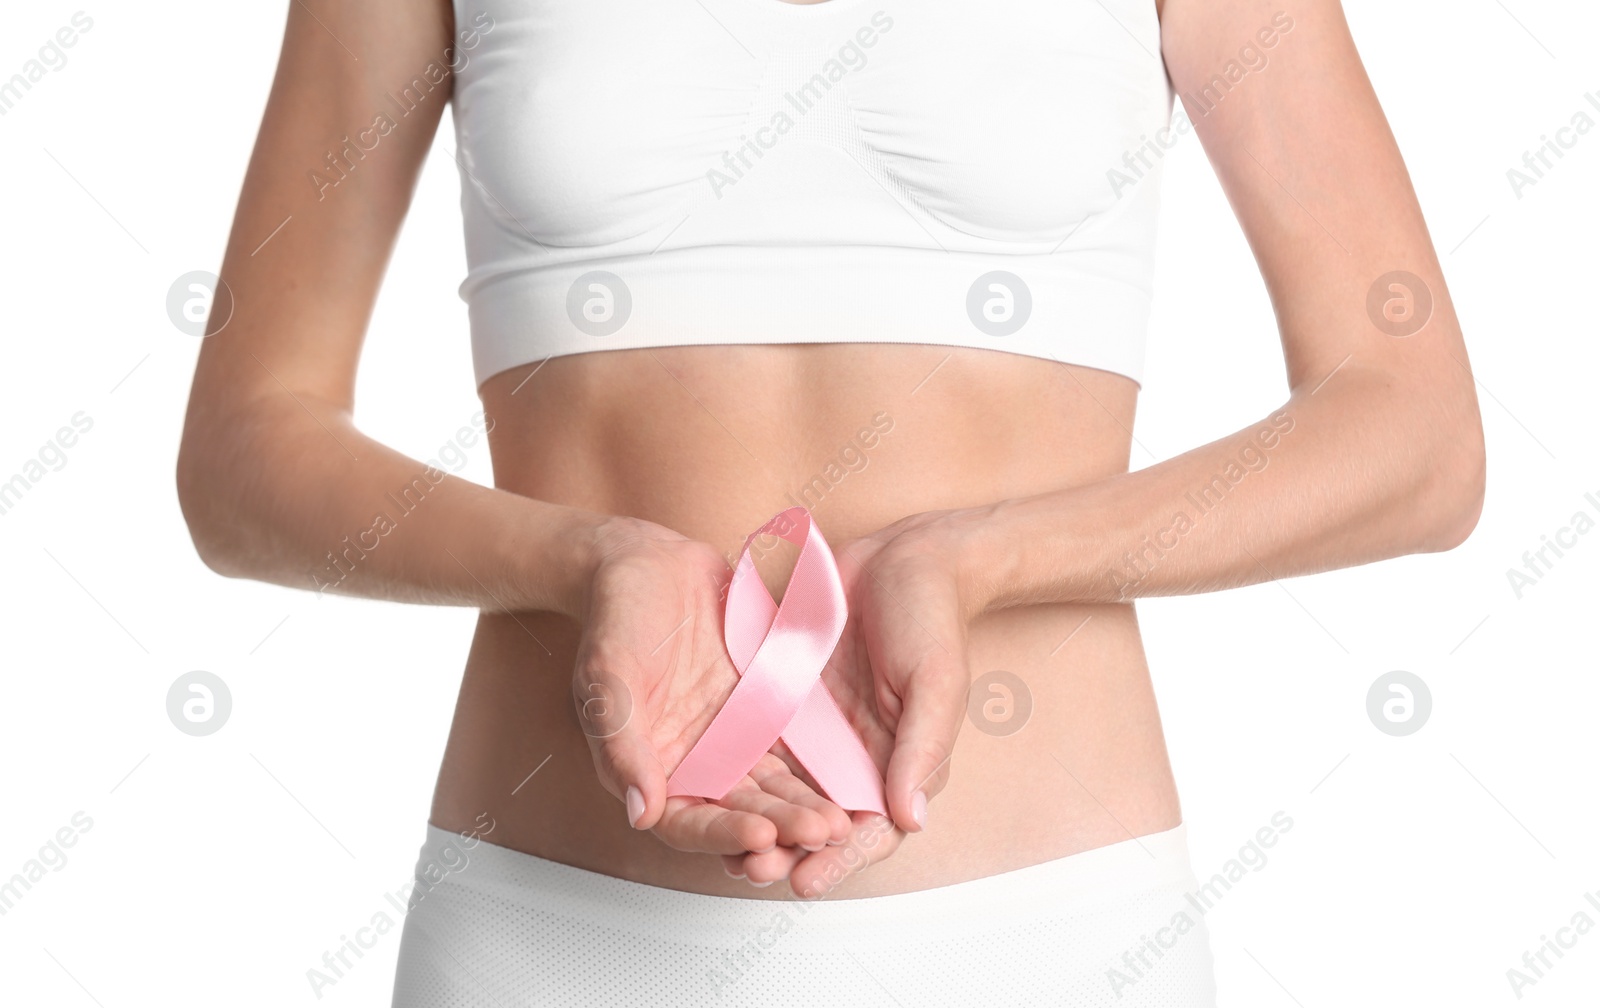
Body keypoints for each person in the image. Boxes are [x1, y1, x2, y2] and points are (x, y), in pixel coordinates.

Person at [177, 0, 1485, 1004]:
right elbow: (245, 448)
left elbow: (1415, 434)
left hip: (1049, 939)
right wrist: (587, 561)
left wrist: (981, 559)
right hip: (552, 937)